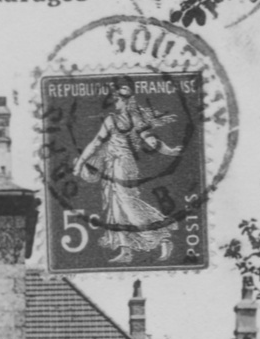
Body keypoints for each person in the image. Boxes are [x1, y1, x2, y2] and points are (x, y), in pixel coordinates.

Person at [73, 78, 184, 264]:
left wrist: (169, 150)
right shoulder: (128, 118)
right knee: (116, 207)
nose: (114, 102)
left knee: (128, 204)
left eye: (117, 98)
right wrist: (168, 150)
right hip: (114, 164)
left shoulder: (120, 119)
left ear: (125, 100)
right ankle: (126, 250)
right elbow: (150, 141)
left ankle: (162, 235)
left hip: (123, 165)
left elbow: (150, 141)